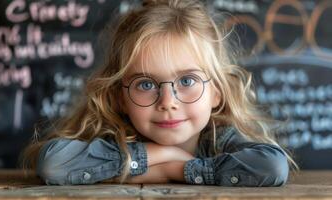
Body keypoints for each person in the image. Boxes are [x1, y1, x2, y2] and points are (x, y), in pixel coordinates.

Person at [21, 0, 298, 186]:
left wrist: (177, 169)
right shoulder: (113, 133)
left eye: (187, 81)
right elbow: (54, 164)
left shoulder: (221, 137)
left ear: (217, 92)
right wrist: (160, 154)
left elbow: (271, 168)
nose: (168, 103)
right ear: (119, 97)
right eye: (145, 84)